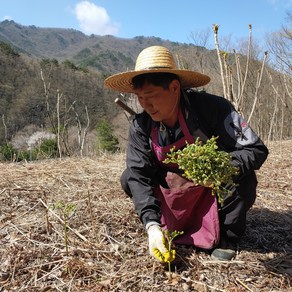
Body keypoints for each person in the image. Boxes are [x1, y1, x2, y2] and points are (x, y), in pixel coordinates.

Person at [104, 46, 268, 262]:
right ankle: (162, 223)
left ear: (174, 88)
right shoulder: (140, 125)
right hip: (174, 188)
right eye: (140, 98)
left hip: (211, 187)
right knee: (128, 178)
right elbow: (138, 173)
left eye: (151, 96)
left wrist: (221, 168)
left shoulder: (213, 108)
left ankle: (227, 237)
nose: (146, 105)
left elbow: (255, 150)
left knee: (242, 178)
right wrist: (151, 225)